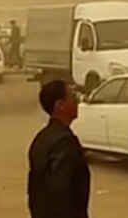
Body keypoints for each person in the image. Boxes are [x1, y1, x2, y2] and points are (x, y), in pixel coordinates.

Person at [28, 80, 90, 218]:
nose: (77, 101)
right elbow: (61, 192)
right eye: (72, 97)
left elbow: (33, 193)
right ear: (60, 106)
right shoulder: (65, 143)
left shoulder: (40, 139)